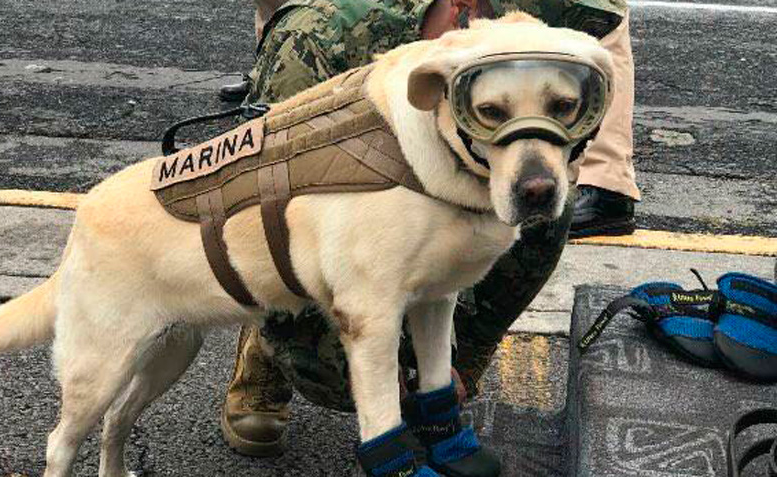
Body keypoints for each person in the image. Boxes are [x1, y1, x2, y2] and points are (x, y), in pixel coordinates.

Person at [217, 0, 636, 464]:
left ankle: (449, 374)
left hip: (448, 203)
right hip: (320, 231)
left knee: (547, 207)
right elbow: (260, 201)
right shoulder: (318, 36)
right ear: (460, 10)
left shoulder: (539, 23)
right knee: (344, 377)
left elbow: (600, 51)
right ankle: (264, 359)